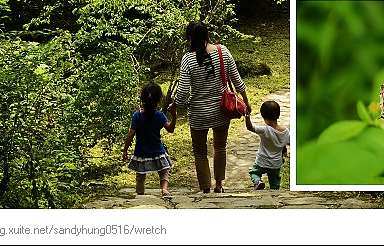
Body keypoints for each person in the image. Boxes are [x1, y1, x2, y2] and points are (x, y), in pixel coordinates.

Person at [168, 20, 251, 193]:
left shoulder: (188, 59)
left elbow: (183, 90)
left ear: (189, 38)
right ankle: (219, 185)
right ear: (207, 34)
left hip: (198, 113)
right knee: (220, 146)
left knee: (200, 152)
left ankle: (205, 189)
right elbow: (237, 80)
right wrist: (246, 100)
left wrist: (175, 105)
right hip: (221, 111)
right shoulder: (223, 51)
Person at [123, 82, 176, 196]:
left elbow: (131, 134)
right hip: (157, 150)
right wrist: (174, 116)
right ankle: (164, 189)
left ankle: (140, 193)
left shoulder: (137, 115)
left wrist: (125, 150)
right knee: (164, 172)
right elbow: (170, 129)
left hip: (141, 152)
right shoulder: (160, 115)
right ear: (159, 100)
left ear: (143, 99)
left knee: (140, 175)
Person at [245, 100, 290, 190]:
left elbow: (250, 127)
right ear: (278, 115)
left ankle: (258, 181)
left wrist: (247, 117)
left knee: (254, 173)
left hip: (262, 161)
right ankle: (275, 192)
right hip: (275, 163)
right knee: (275, 182)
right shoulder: (286, 131)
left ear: (264, 117)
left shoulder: (265, 130)